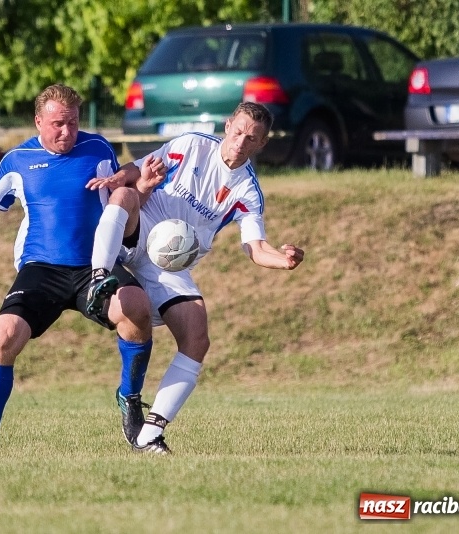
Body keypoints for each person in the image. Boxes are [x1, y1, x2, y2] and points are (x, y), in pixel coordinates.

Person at [0, 84, 161, 449]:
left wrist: (143, 184)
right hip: (42, 268)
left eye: (73, 123)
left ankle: (130, 399)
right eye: (58, 124)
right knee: (6, 336)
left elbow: (127, 189)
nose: (67, 132)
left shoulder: (99, 148)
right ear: (38, 121)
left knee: (136, 307)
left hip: (95, 267)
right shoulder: (18, 160)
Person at [86, 101, 306, 454]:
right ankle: (99, 277)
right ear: (228, 124)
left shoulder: (247, 191)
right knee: (125, 194)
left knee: (197, 335)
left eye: (251, 139)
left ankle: (152, 433)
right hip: (140, 229)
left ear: (262, 144)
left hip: (170, 264)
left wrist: (283, 261)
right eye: (237, 132)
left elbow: (255, 247)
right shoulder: (191, 145)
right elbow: (136, 170)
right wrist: (117, 179)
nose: (240, 142)